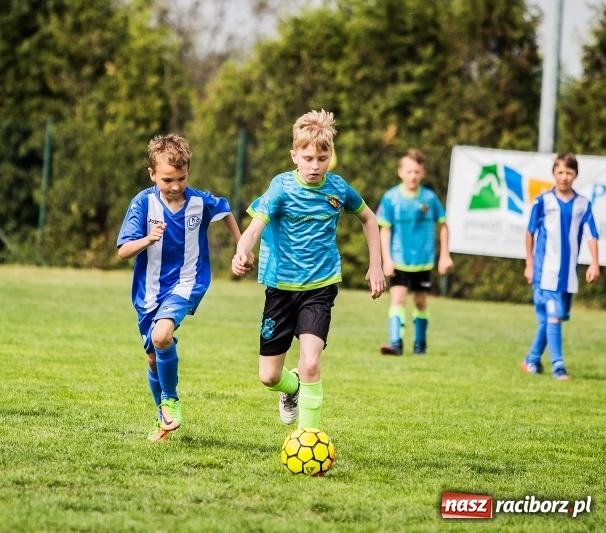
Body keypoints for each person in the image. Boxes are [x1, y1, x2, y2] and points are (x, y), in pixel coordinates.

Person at [232, 109, 386, 431]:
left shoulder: (339, 189)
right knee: (269, 376)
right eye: (308, 158)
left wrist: (376, 265)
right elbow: (256, 226)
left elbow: (369, 219)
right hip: (281, 287)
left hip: (321, 284)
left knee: (311, 362)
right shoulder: (281, 188)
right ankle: (292, 390)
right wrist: (242, 250)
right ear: (294, 156)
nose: (315, 166)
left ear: (331, 156)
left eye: (322, 157)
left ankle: (308, 435)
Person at [117, 133, 246, 442]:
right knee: (152, 357)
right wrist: (148, 239)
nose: (175, 185)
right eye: (167, 179)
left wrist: (242, 247)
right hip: (148, 291)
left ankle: (170, 399)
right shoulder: (143, 203)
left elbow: (225, 211)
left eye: (181, 178)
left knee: (162, 336)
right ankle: (163, 419)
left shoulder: (199, 201)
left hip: (189, 281)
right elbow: (123, 250)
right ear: (152, 174)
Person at [521, 152, 600, 380]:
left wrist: (594, 262)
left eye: (569, 172)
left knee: (552, 319)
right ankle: (558, 366)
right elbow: (530, 232)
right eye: (560, 172)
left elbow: (592, 234)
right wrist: (529, 262)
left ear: (575, 175)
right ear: (554, 174)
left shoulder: (583, 204)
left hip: (568, 275)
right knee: (553, 318)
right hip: (545, 272)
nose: (564, 177)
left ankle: (531, 359)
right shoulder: (543, 201)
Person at [376, 149, 453, 356]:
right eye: (409, 171)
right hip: (399, 260)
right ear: (400, 172)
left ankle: (420, 344)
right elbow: (385, 229)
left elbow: (444, 224)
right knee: (398, 298)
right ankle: (396, 344)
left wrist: (444, 255)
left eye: (417, 172)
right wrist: (387, 260)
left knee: (420, 301)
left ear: (423, 174)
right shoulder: (391, 198)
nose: (413, 176)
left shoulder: (429, 198)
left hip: (423, 260)